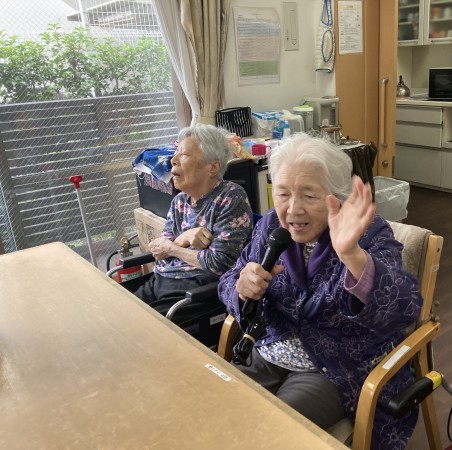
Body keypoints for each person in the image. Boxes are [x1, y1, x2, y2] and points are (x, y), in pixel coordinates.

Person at [218, 134, 423, 449]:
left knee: (270, 432)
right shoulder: (271, 226)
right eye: (283, 194)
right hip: (269, 350)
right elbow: (231, 277)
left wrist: (353, 257)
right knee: (217, 406)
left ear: (335, 197)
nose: (293, 209)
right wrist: (241, 287)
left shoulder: (368, 233)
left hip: (334, 367)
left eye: (309, 195)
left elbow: (402, 307)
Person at [135, 124, 253, 304]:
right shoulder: (180, 201)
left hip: (195, 288)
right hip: (160, 279)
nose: (173, 160)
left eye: (183, 154)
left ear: (213, 168)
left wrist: (172, 249)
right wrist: (184, 238)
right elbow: (159, 251)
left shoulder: (230, 197)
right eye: (175, 153)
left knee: (137, 320)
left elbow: (219, 263)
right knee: (116, 309)